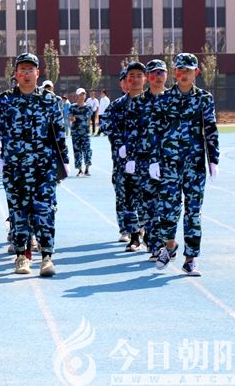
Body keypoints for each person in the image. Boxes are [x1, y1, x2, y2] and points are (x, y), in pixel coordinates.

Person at [0, 52, 70, 277]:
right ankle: (21, 256)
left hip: (44, 168)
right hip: (15, 168)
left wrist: (64, 160)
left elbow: (59, 132)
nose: (26, 74)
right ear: (15, 74)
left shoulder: (50, 100)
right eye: (22, 70)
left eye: (30, 69)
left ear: (37, 73)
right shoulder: (5, 99)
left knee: (45, 211)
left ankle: (47, 257)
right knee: (18, 212)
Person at [147, 53, 220, 276]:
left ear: (196, 72)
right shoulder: (163, 99)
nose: (184, 74)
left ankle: (190, 259)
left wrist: (213, 159)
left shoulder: (204, 99)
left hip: (194, 164)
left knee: (193, 211)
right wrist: (153, 159)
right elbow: (154, 130)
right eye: (180, 70)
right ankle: (170, 246)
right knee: (167, 210)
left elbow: (210, 129)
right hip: (169, 164)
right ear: (175, 72)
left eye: (188, 70)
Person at [124, 59, 169, 259]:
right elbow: (132, 132)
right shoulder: (139, 102)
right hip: (144, 160)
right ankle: (154, 245)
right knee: (148, 205)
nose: (157, 77)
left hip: (169, 160)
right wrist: (131, 158)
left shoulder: (173, 99)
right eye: (153, 73)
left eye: (161, 72)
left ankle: (167, 241)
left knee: (168, 205)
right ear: (148, 77)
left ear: (167, 75)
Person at [100, 70, 132, 243]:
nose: (128, 83)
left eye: (131, 78)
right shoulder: (115, 106)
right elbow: (105, 125)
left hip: (143, 160)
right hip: (120, 161)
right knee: (122, 194)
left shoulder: (147, 103)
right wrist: (120, 142)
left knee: (143, 196)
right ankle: (125, 229)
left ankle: (141, 228)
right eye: (124, 80)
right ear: (120, 83)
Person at [68, 88, 93, 176]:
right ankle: (79, 169)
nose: (82, 96)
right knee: (77, 151)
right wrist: (71, 118)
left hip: (86, 133)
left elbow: (89, 118)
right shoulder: (72, 106)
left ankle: (87, 169)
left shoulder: (89, 107)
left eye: (83, 94)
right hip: (76, 133)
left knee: (87, 150)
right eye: (80, 94)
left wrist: (89, 128)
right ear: (77, 96)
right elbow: (69, 116)